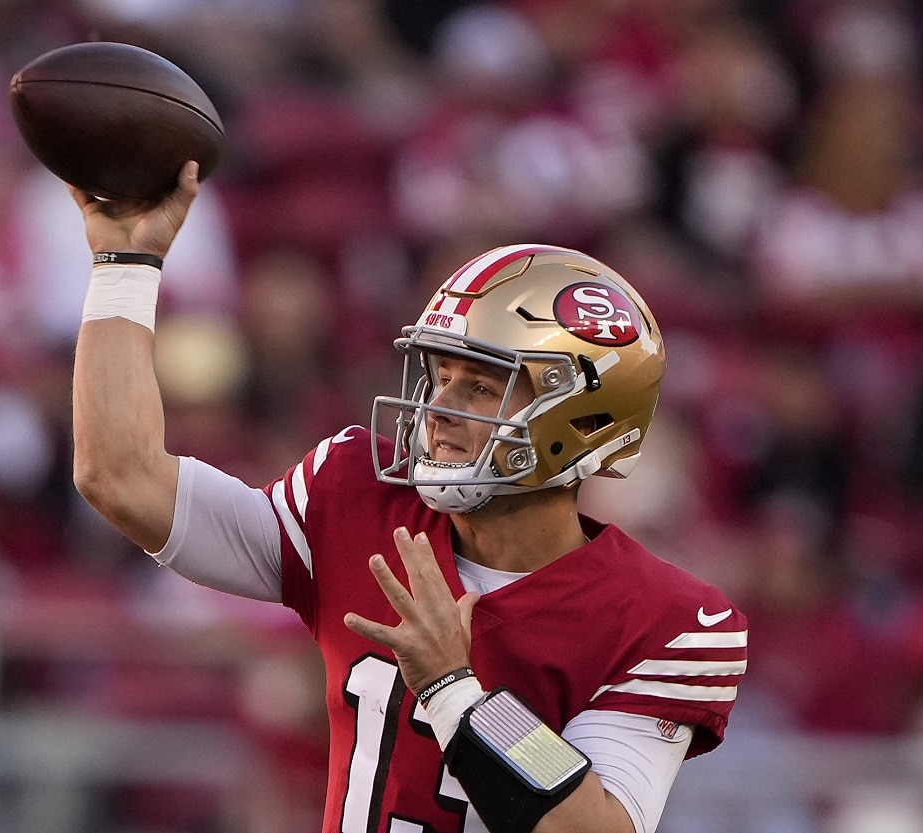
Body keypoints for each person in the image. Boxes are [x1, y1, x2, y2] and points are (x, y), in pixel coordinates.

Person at [69, 161, 747, 833]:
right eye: (439, 374)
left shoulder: (671, 621)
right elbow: (119, 475)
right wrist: (125, 263)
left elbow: (596, 830)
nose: (442, 408)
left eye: (482, 386)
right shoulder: (354, 496)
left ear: (585, 421)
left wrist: (457, 691)